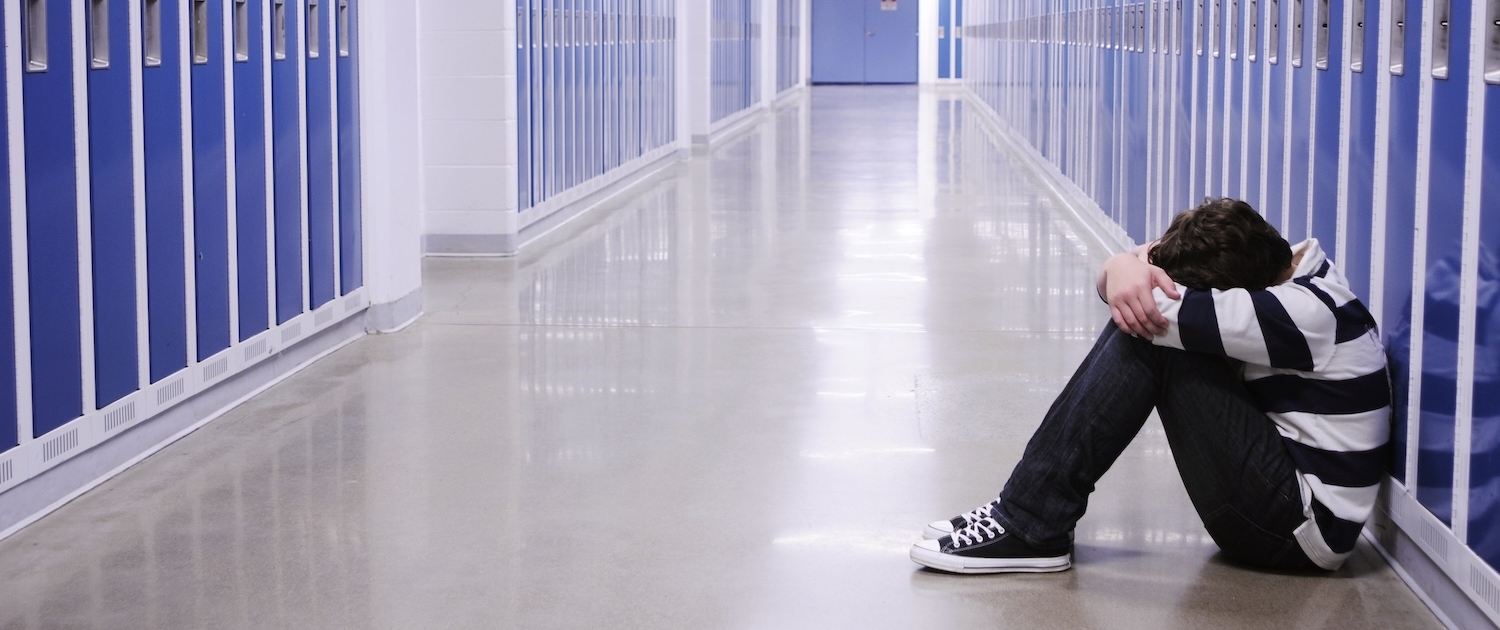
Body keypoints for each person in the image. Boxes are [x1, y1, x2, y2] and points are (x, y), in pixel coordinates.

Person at [910, 198, 1391, 574]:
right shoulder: (1288, 272)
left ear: (1234, 295)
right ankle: (1028, 512)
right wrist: (1123, 263)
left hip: (1299, 532)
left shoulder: (1299, 313)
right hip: (1285, 493)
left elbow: (1142, 301)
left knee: (1149, 330)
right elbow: (1131, 275)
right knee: (1146, 318)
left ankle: (1032, 523)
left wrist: (1121, 268)